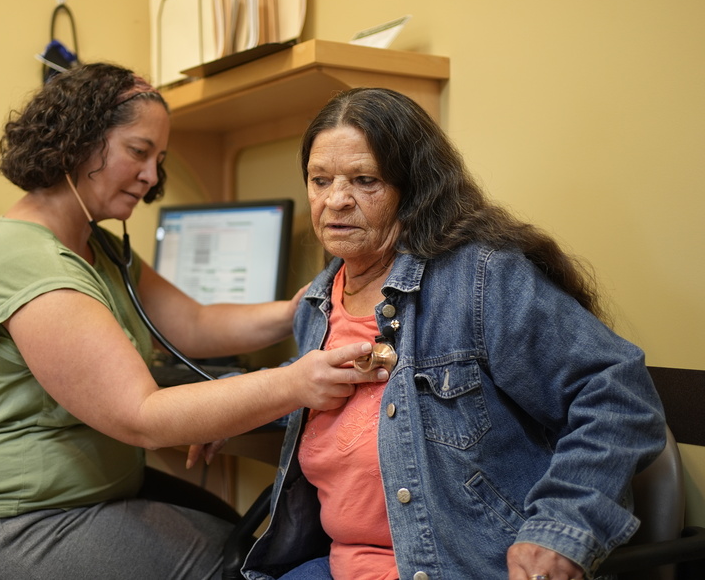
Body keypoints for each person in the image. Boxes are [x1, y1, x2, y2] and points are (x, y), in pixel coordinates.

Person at [0, 62, 377, 580]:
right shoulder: (31, 264)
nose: (153, 176)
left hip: (82, 496)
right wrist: (294, 382)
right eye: (138, 152)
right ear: (78, 142)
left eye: (159, 159)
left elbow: (195, 324)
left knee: (241, 534)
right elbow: (142, 416)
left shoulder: (97, 245)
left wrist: (307, 304)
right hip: (3, 526)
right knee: (238, 565)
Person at [242, 87, 667, 580]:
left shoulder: (481, 281)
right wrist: (241, 413)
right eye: (320, 181)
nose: (336, 200)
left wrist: (560, 530)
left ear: (414, 189)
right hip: (338, 565)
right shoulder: (318, 299)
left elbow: (619, 399)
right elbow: (326, 394)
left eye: (365, 180)